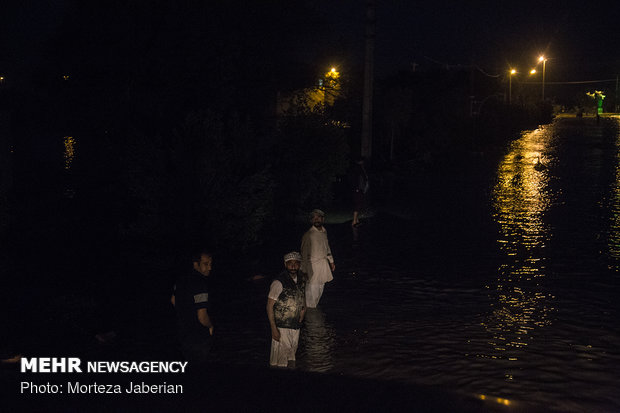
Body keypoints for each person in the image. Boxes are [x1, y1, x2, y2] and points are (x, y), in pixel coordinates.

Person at [171, 249, 215, 364]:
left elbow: (173, 300)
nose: (209, 268)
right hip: (198, 337)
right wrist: (210, 326)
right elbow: (202, 316)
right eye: (206, 264)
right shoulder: (200, 284)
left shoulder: (181, 280)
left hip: (183, 333)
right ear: (196, 264)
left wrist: (184, 314)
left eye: (210, 264)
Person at [266, 251, 306, 368]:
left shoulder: (301, 280)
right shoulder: (279, 282)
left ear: (299, 264)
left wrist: (303, 311)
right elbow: (269, 306)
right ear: (285, 264)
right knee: (280, 360)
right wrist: (273, 328)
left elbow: (303, 297)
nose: (293, 266)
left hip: (295, 325)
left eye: (296, 263)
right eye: (290, 263)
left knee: (291, 355)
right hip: (281, 327)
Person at [301, 209, 335, 308]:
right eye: (314, 218)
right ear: (311, 221)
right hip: (312, 268)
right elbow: (304, 254)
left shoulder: (324, 231)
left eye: (318, 217)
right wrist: (304, 271)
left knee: (320, 290)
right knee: (311, 294)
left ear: (322, 219)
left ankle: (313, 317)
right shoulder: (308, 235)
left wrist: (331, 261)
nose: (316, 219)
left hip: (323, 266)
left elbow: (327, 247)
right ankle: (310, 318)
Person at [349, 158, 369, 227]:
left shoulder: (360, 169)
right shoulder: (357, 169)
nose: (363, 163)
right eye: (361, 162)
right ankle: (354, 221)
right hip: (358, 189)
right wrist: (357, 188)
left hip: (360, 189)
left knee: (359, 203)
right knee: (358, 204)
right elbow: (357, 179)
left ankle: (356, 220)